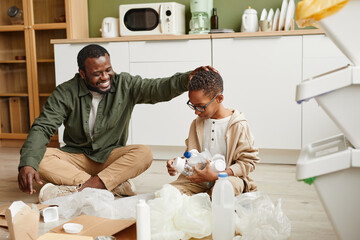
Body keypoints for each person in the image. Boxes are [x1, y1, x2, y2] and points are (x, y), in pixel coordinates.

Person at [17, 44, 213, 202]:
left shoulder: (125, 84)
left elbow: (157, 88)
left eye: (108, 70)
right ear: (82, 74)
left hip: (110, 156)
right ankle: (112, 186)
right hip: (76, 157)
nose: (105, 77)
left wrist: (185, 79)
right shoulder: (65, 92)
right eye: (97, 73)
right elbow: (43, 127)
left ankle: (82, 189)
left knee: (144, 153)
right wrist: (27, 164)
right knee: (38, 157)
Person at [166, 69, 260, 196]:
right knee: (167, 194)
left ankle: (209, 199)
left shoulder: (238, 125)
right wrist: (178, 163)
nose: (196, 112)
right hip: (197, 179)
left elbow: (248, 162)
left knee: (222, 192)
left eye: (201, 106)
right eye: (193, 105)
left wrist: (214, 176)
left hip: (227, 178)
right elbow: (193, 156)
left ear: (219, 98)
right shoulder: (196, 124)